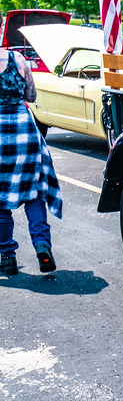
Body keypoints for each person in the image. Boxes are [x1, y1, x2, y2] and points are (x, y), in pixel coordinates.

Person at [0, 47, 62, 276]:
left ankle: (7, 257)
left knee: (1, 200)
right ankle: (42, 245)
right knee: (34, 193)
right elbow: (31, 96)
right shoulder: (18, 59)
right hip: (24, 133)